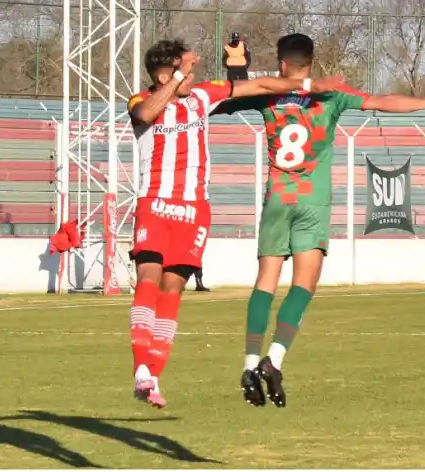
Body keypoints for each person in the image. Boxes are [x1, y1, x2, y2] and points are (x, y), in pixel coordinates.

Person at [214, 33, 425, 408]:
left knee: (265, 281)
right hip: (312, 202)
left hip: (278, 199)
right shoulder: (331, 94)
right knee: (305, 282)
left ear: (282, 64)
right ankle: (275, 359)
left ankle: (250, 364)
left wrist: (237, 64)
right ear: (311, 62)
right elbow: (383, 102)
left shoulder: (267, 93)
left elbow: (231, 91)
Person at [126, 38, 343, 409]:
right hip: (156, 202)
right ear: (165, 73)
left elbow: (258, 86)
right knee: (149, 277)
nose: (193, 77)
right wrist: (177, 78)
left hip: (193, 208)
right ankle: (140, 369)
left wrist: (309, 85)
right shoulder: (140, 101)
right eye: (184, 70)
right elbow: (146, 114)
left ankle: (154, 376)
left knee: (174, 289)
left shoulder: (203, 96)